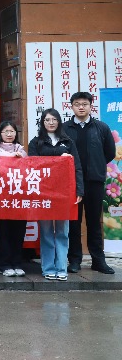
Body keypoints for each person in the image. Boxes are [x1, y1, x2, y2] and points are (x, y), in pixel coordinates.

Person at [64, 92, 116, 274]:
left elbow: (110, 152)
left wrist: (97, 166)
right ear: (71, 106)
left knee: (94, 222)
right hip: (72, 182)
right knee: (74, 222)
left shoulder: (101, 127)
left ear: (90, 106)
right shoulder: (65, 128)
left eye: (84, 104)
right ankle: (74, 260)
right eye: (77, 104)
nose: (81, 107)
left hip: (94, 181)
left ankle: (98, 261)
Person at [29, 108, 84, 281]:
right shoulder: (36, 142)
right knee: (46, 232)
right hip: (44, 192)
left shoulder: (68, 142)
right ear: (42, 122)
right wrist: (59, 157)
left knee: (62, 232)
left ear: (59, 122)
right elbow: (32, 165)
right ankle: (48, 268)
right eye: (47, 120)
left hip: (64, 193)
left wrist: (79, 190)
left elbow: (77, 167)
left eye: (54, 119)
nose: (51, 123)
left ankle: (61, 268)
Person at [0, 121, 28, 277]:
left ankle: (17, 263)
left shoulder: (21, 150)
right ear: (0, 134)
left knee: (18, 231)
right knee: (3, 231)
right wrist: (11, 158)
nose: (9, 134)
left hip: (19, 197)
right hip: (1, 197)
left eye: (12, 131)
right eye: (6, 132)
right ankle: (3, 264)